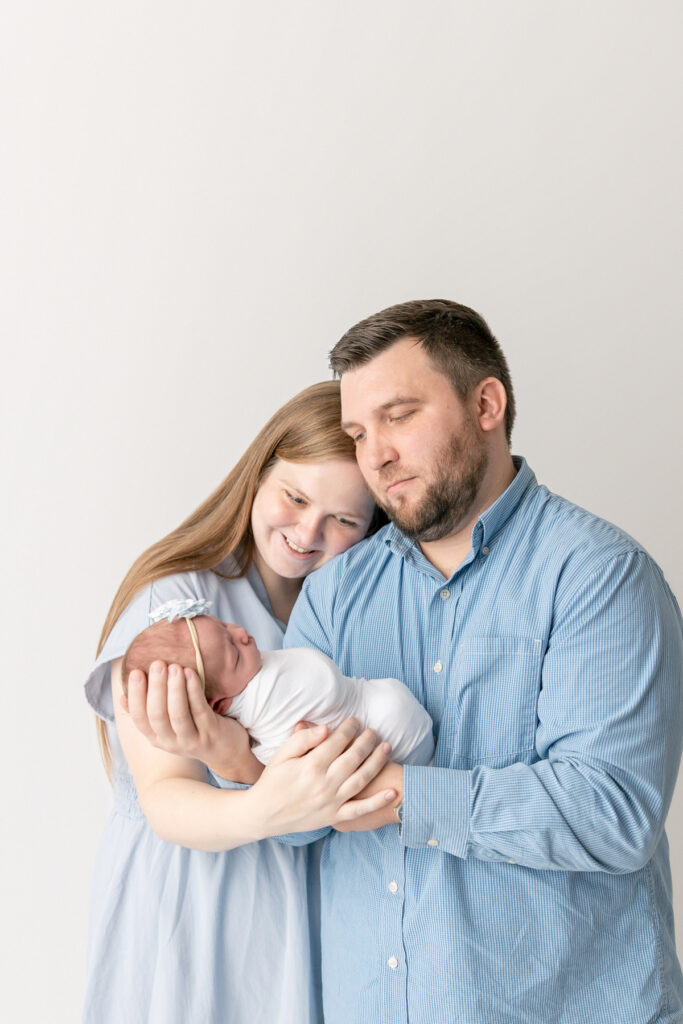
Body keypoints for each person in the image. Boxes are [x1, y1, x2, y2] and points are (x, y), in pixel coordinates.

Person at [282, 301, 683, 1024]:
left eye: (398, 415)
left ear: (486, 404)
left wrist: (397, 791)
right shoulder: (335, 593)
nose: (374, 454)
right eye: (357, 432)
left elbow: (610, 813)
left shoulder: (599, 575)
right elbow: (288, 815)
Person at [82, 380, 398, 1024]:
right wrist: (268, 801)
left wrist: (251, 768)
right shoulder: (180, 613)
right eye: (295, 496)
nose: (308, 532)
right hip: (193, 900)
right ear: (258, 475)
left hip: (299, 902)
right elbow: (166, 795)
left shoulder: (349, 618)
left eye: (343, 520)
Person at [120, 605, 435, 766]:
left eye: (224, 625)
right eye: (233, 652)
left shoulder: (251, 676)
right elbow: (279, 770)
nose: (242, 633)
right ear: (220, 704)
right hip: (394, 746)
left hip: (397, 728)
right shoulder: (263, 712)